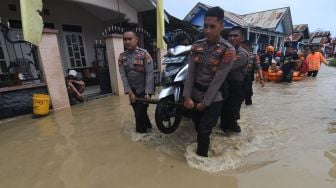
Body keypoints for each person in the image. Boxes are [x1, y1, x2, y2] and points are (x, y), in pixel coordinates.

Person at [183, 7, 235, 157]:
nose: (207, 30)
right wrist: (187, 97)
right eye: (205, 26)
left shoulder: (228, 50)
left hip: (214, 97)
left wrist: (205, 103)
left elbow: (219, 79)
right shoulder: (197, 45)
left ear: (221, 26)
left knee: (204, 131)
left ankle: (201, 160)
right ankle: (203, 150)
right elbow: (191, 72)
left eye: (212, 26)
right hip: (195, 94)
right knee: (198, 127)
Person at [118, 30, 154, 133]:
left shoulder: (144, 54)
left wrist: (147, 93)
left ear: (136, 39)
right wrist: (130, 92)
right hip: (132, 90)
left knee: (138, 114)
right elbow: (123, 76)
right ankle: (149, 127)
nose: (127, 42)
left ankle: (141, 134)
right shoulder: (122, 57)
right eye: (125, 39)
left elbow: (150, 74)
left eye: (130, 39)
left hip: (144, 89)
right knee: (140, 112)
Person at [220, 26, 249, 133]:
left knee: (232, 113)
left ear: (242, 38)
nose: (231, 38)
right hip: (227, 85)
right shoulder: (228, 51)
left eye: (235, 36)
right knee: (225, 111)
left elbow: (224, 68)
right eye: (230, 36)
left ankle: (233, 138)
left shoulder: (241, 54)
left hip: (237, 86)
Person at [241, 41, 265, 105]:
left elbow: (258, 67)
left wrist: (261, 79)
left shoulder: (254, 56)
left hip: (248, 79)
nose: (241, 49)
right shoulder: (236, 54)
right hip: (237, 79)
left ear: (249, 47)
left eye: (243, 47)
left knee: (248, 95)